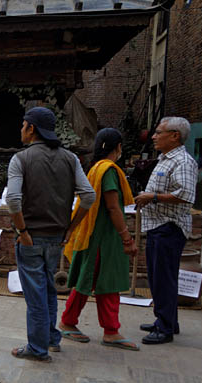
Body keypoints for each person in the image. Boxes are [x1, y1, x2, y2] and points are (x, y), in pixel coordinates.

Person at [6, 107, 96, 362]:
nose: (21, 130)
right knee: (46, 288)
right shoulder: (70, 158)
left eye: (23, 125)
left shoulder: (21, 159)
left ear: (31, 128)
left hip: (31, 236)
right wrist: (71, 227)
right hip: (57, 236)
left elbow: (12, 199)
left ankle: (37, 348)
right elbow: (88, 195)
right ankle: (51, 339)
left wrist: (22, 231)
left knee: (36, 294)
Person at [59, 128, 139, 351]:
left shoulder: (96, 168)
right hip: (104, 237)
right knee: (98, 281)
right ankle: (98, 328)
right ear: (119, 147)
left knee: (97, 282)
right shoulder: (109, 171)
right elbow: (113, 206)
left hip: (97, 235)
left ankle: (106, 329)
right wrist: (126, 238)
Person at [134, 117, 197, 344]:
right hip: (157, 225)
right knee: (159, 277)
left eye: (158, 132)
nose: (153, 136)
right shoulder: (165, 159)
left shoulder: (182, 161)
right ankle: (167, 319)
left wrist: (152, 197)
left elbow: (185, 195)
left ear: (174, 135)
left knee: (163, 278)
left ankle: (165, 327)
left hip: (168, 227)